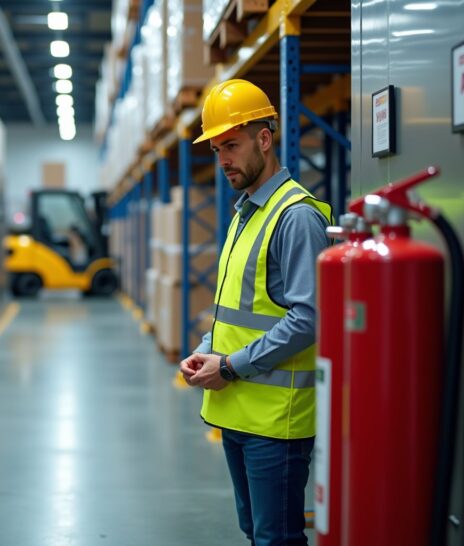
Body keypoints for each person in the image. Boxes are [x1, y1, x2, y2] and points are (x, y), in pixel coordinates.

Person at [179, 79, 332, 546]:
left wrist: (229, 366)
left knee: (276, 538)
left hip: (275, 423)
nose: (222, 159)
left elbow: (308, 318)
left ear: (264, 140)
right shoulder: (246, 212)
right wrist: (207, 351)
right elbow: (239, 308)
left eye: (232, 145)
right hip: (237, 410)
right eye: (216, 148)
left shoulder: (296, 217)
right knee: (255, 531)